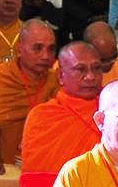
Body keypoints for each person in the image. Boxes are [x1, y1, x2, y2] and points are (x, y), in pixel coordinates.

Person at [0, 20, 58, 174]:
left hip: (47, 162)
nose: (46, 56)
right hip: (6, 163)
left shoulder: (56, 80)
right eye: (37, 48)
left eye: (51, 49)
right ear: (19, 49)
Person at [17, 41, 105, 175]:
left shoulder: (113, 109)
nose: (91, 77)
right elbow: (36, 174)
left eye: (96, 68)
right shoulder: (42, 116)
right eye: (80, 69)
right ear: (60, 75)